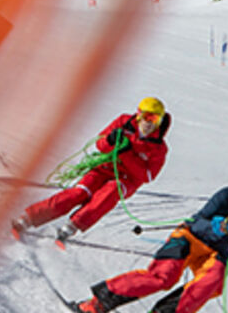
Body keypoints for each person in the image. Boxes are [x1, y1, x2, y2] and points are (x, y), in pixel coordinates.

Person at [73, 171, 228, 313]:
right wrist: (222, 227)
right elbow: (198, 223)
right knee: (164, 276)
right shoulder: (227, 197)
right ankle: (97, 302)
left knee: (212, 282)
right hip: (190, 238)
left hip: (215, 254)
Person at [13, 97, 171, 244]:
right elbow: (100, 144)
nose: (149, 123)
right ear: (138, 115)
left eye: (155, 119)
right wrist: (109, 140)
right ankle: (29, 217)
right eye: (147, 117)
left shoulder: (159, 147)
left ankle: (73, 226)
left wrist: (126, 153)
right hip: (103, 169)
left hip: (126, 180)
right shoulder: (124, 122)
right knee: (79, 193)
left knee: (109, 192)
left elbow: (148, 176)